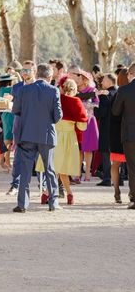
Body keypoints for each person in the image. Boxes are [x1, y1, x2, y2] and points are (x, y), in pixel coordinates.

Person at [12, 64, 63, 212]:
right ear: (49, 76)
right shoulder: (53, 91)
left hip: (27, 134)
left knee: (26, 170)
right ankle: (53, 203)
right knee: (50, 170)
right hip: (47, 134)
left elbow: (16, 110)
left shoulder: (23, 90)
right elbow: (58, 115)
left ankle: (22, 204)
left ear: (37, 73)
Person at [37, 78, 86, 206]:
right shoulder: (77, 102)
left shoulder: (55, 99)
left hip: (55, 135)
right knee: (61, 168)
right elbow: (82, 126)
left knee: (55, 166)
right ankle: (67, 194)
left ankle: (48, 193)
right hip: (69, 138)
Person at [7, 60, 37, 196]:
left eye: (28, 70)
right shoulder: (17, 87)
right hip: (19, 125)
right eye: (23, 70)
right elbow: (14, 107)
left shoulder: (40, 86)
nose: (24, 73)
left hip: (36, 127)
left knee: (39, 158)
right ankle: (15, 185)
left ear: (34, 71)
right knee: (18, 157)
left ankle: (43, 186)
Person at [111, 63, 135, 210]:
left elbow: (115, 111)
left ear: (130, 74)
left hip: (130, 134)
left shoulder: (124, 90)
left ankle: (134, 197)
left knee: (132, 167)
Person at [69, 67, 99, 181]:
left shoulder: (92, 90)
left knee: (88, 149)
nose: (76, 80)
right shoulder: (74, 91)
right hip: (77, 122)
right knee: (78, 149)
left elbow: (97, 104)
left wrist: (85, 105)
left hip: (89, 121)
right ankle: (77, 173)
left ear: (84, 78)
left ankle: (87, 174)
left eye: (78, 77)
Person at [110, 69, 128, 204]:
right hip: (127, 133)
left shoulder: (117, 94)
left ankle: (116, 190)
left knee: (115, 164)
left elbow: (113, 114)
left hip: (116, 134)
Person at [96, 73, 117, 186]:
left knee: (105, 153)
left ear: (109, 81)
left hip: (106, 128)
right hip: (117, 127)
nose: (101, 82)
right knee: (117, 155)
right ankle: (118, 179)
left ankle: (107, 178)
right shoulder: (117, 92)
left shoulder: (104, 95)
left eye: (103, 80)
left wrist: (94, 109)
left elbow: (102, 113)